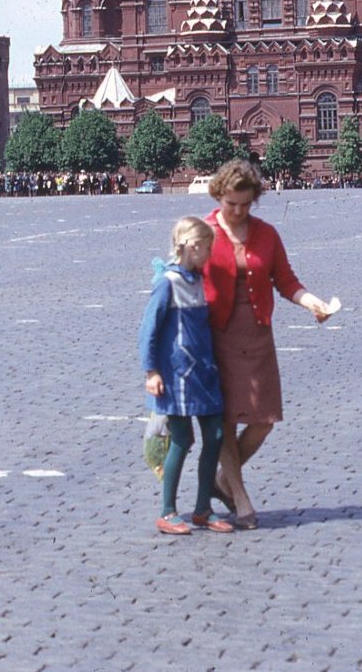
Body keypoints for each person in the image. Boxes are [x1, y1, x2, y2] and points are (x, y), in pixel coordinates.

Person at [202, 159, 333, 529]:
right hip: (217, 337)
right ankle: (240, 499)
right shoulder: (204, 231)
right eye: (232, 204)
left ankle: (222, 480)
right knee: (226, 419)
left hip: (257, 335)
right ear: (219, 195)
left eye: (245, 204)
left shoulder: (266, 234)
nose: (239, 211)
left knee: (264, 419)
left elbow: (286, 280)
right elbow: (181, 276)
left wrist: (312, 303)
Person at [140, 216, 233, 535]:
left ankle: (203, 509)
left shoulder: (196, 281)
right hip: (176, 376)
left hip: (203, 374)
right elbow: (148, 330)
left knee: (216, 436)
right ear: (193, 247)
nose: (210, 255)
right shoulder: (167, 282)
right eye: (207, 249)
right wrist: (151, 370)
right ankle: (168, 510)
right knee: (182, 438)